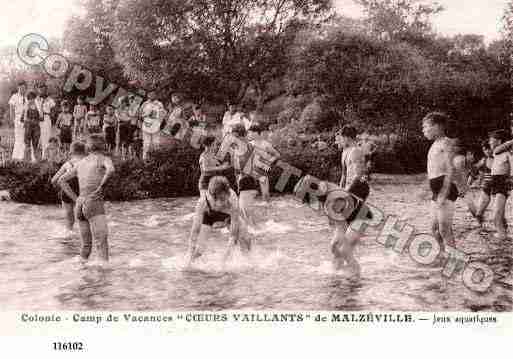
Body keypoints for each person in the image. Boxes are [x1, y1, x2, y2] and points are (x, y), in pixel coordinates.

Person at [57, 135, 115, 262]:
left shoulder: (80, 163)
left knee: (86, 247)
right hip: (94, 203)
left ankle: (82, 274)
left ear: (88, 148)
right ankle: (103, 278)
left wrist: (76, 199)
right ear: (104, 146)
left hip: (80, 205)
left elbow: (61, 180)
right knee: (102, 243)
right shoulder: (104, 159)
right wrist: (101, 186)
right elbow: (110, 170)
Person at [330, 125, 370, 276]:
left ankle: (356, 275)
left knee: (344, 249)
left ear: (346, 137)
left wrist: (345, 194)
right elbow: (344, 176)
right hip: (348, 197)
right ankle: (336, 275)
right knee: (334, 246)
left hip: (356, 195)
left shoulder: (356, 151)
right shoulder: (345, 152)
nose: (336, 141)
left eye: (338, 137)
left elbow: (358, 175)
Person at [186, 176, 251, 266]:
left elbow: (233, 233)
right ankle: (191, 263)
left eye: (226, 198)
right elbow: (195, 230)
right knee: (199, 249)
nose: (224, 202)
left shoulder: (232, 198)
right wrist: (189, 254)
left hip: (228, 217)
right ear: (212, 197)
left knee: (245, 238)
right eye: (222, 199)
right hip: (209, 217)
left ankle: (248, 262)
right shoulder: (203, 203)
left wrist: (226, 257)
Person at [422, 112, 458, 255]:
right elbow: (432, 170)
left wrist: (444, 191)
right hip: (436, 188)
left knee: (444, 229)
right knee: (434, 229)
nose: (423, 130)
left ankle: (456, 259)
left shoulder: (446, 142)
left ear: (437, 127)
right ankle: (443, 254)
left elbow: (451, 168)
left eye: (425, 127)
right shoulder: (435, 145)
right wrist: (426, 189)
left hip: (446, 188)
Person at [51, 141, 87, 232]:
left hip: (67, 192)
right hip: (81, 191)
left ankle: (68, 238)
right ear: (84, 151)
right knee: (83, 219)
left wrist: (59, 188)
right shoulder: (86, 162)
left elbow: (54, 180)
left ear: (71, 152)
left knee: (69, 219)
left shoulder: (67, 164)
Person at [487, 130, 512, 239]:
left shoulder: (507, 154)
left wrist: (511, 179)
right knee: (499, 211)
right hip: (496, 183)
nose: (489, 142)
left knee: (497, 212)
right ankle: (503, 231)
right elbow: (497, 149)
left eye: (491, 140)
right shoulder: (496, 153)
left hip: (502, 183)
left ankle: (502, 234)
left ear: (499, 141)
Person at [248, 124, 280, 202]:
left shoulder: (265, 144)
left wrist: (268, 162)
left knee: (265, 194)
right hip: (252, 170)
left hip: (262, 169)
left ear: (256, 133)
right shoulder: (250, 144)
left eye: (250, 132)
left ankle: (268, 207)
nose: (249, 134)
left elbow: (277, 155)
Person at [472, 141, 494, 225]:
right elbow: (474, 171)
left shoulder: (499, 158)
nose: (487, 151)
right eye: (485, 150)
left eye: (489, 149)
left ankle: (503, 225)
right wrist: (469, 183)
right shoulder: (484, 160)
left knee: (498, 209)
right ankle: (480, 224)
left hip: (498, 186)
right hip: (487, 186)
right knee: (480, 210)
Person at [140, 90, 165, 160]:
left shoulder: (159, 104)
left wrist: (158, 122)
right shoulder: (145, 104)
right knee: (146, 144)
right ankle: (144, 160)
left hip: (156, 126)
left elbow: (162, 115)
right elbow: (140, 114)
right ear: (148, 95)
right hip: (146, 126)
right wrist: (146, 115)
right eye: (150, 94)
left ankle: (157, 160)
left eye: (153, 94)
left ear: (156, 95)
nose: (152, 95)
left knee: (156, 143)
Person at [21, 91, 43, 162]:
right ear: (28, 99)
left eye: (33, 98)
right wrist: (27, 119)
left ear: (35, 98)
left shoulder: (38, 107)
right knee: (27, 143)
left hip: (36, 127)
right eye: (29, 98)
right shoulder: (25, 107)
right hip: (28, 127)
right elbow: (21, 119)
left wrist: (36, 118)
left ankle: (37, 160)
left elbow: (42, 118)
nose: (31, 100)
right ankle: (27, 160)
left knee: (36, 143)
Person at [8, 81, 28, 161]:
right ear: (18, 88)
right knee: (18, 137)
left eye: (24, 88)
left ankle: (22, 157)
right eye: (20, 88)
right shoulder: (14, 96)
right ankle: (16, 156)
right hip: (18, 118)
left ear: (25, 89)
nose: (22, 90)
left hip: (26, 120)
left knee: (24, 138)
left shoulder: (27, 98)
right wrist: (12, 120)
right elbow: (11, 109)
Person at [35, 83, 56, 156]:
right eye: (40, 89)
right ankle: (35, 155)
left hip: (46, 118)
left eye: (43, 89)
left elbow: (53, 110)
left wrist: (50, 115)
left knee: (46, 136)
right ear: (38, 90)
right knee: (37, 136)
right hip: (37, 119)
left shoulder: (50, 99)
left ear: (46, 90)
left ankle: (45, 155)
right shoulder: (35, 99)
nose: (42, 91)